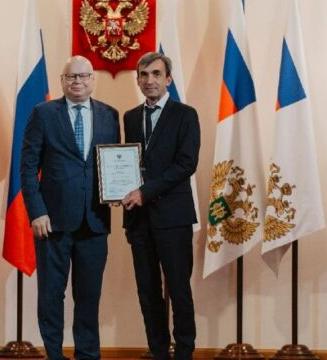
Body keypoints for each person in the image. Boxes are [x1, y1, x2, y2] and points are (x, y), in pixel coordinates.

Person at [20, 55, 120, 360]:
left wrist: (119, 190)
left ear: (93, 80)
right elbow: (28, 166)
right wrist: (37, 211)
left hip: (95, 221)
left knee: (89, 297)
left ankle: (87, 354)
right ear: (62, 81)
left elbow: (114, 162)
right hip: (53, 222)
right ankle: (54, 354)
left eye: (83, 76)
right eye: (71, 77)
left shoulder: (110, 115)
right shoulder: (43, 114)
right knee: (51, 295)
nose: (77, 82)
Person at [121, 52, 200, 360]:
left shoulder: (185, 115)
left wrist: (145, 192)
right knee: (148, 292)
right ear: (137, 79)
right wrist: (118, 192)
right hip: (139, 220)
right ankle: (158, 352)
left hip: (173, 218)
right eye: (143, 74)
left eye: (156, 74)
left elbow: (186, 164)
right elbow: (128, 164)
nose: (149, 80)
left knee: (179, 290)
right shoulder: (130, 117)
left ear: (168, 79)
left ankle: (184, 353)